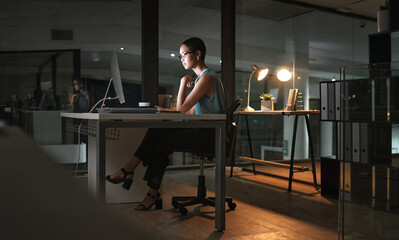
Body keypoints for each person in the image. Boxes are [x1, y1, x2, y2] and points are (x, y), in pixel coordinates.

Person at [106, 37, 228, 210]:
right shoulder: (203, 78)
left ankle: (145, 188)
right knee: (158, 130)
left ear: (198, 54)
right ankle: (129, 170)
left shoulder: (207, 78)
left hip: (212, 136)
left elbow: (183, 109)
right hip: (205, 130)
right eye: (180, 56)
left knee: (164, 142)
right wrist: (166, 110)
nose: (182, 59)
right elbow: (190, 112)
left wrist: (183, 83)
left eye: (184, 54)